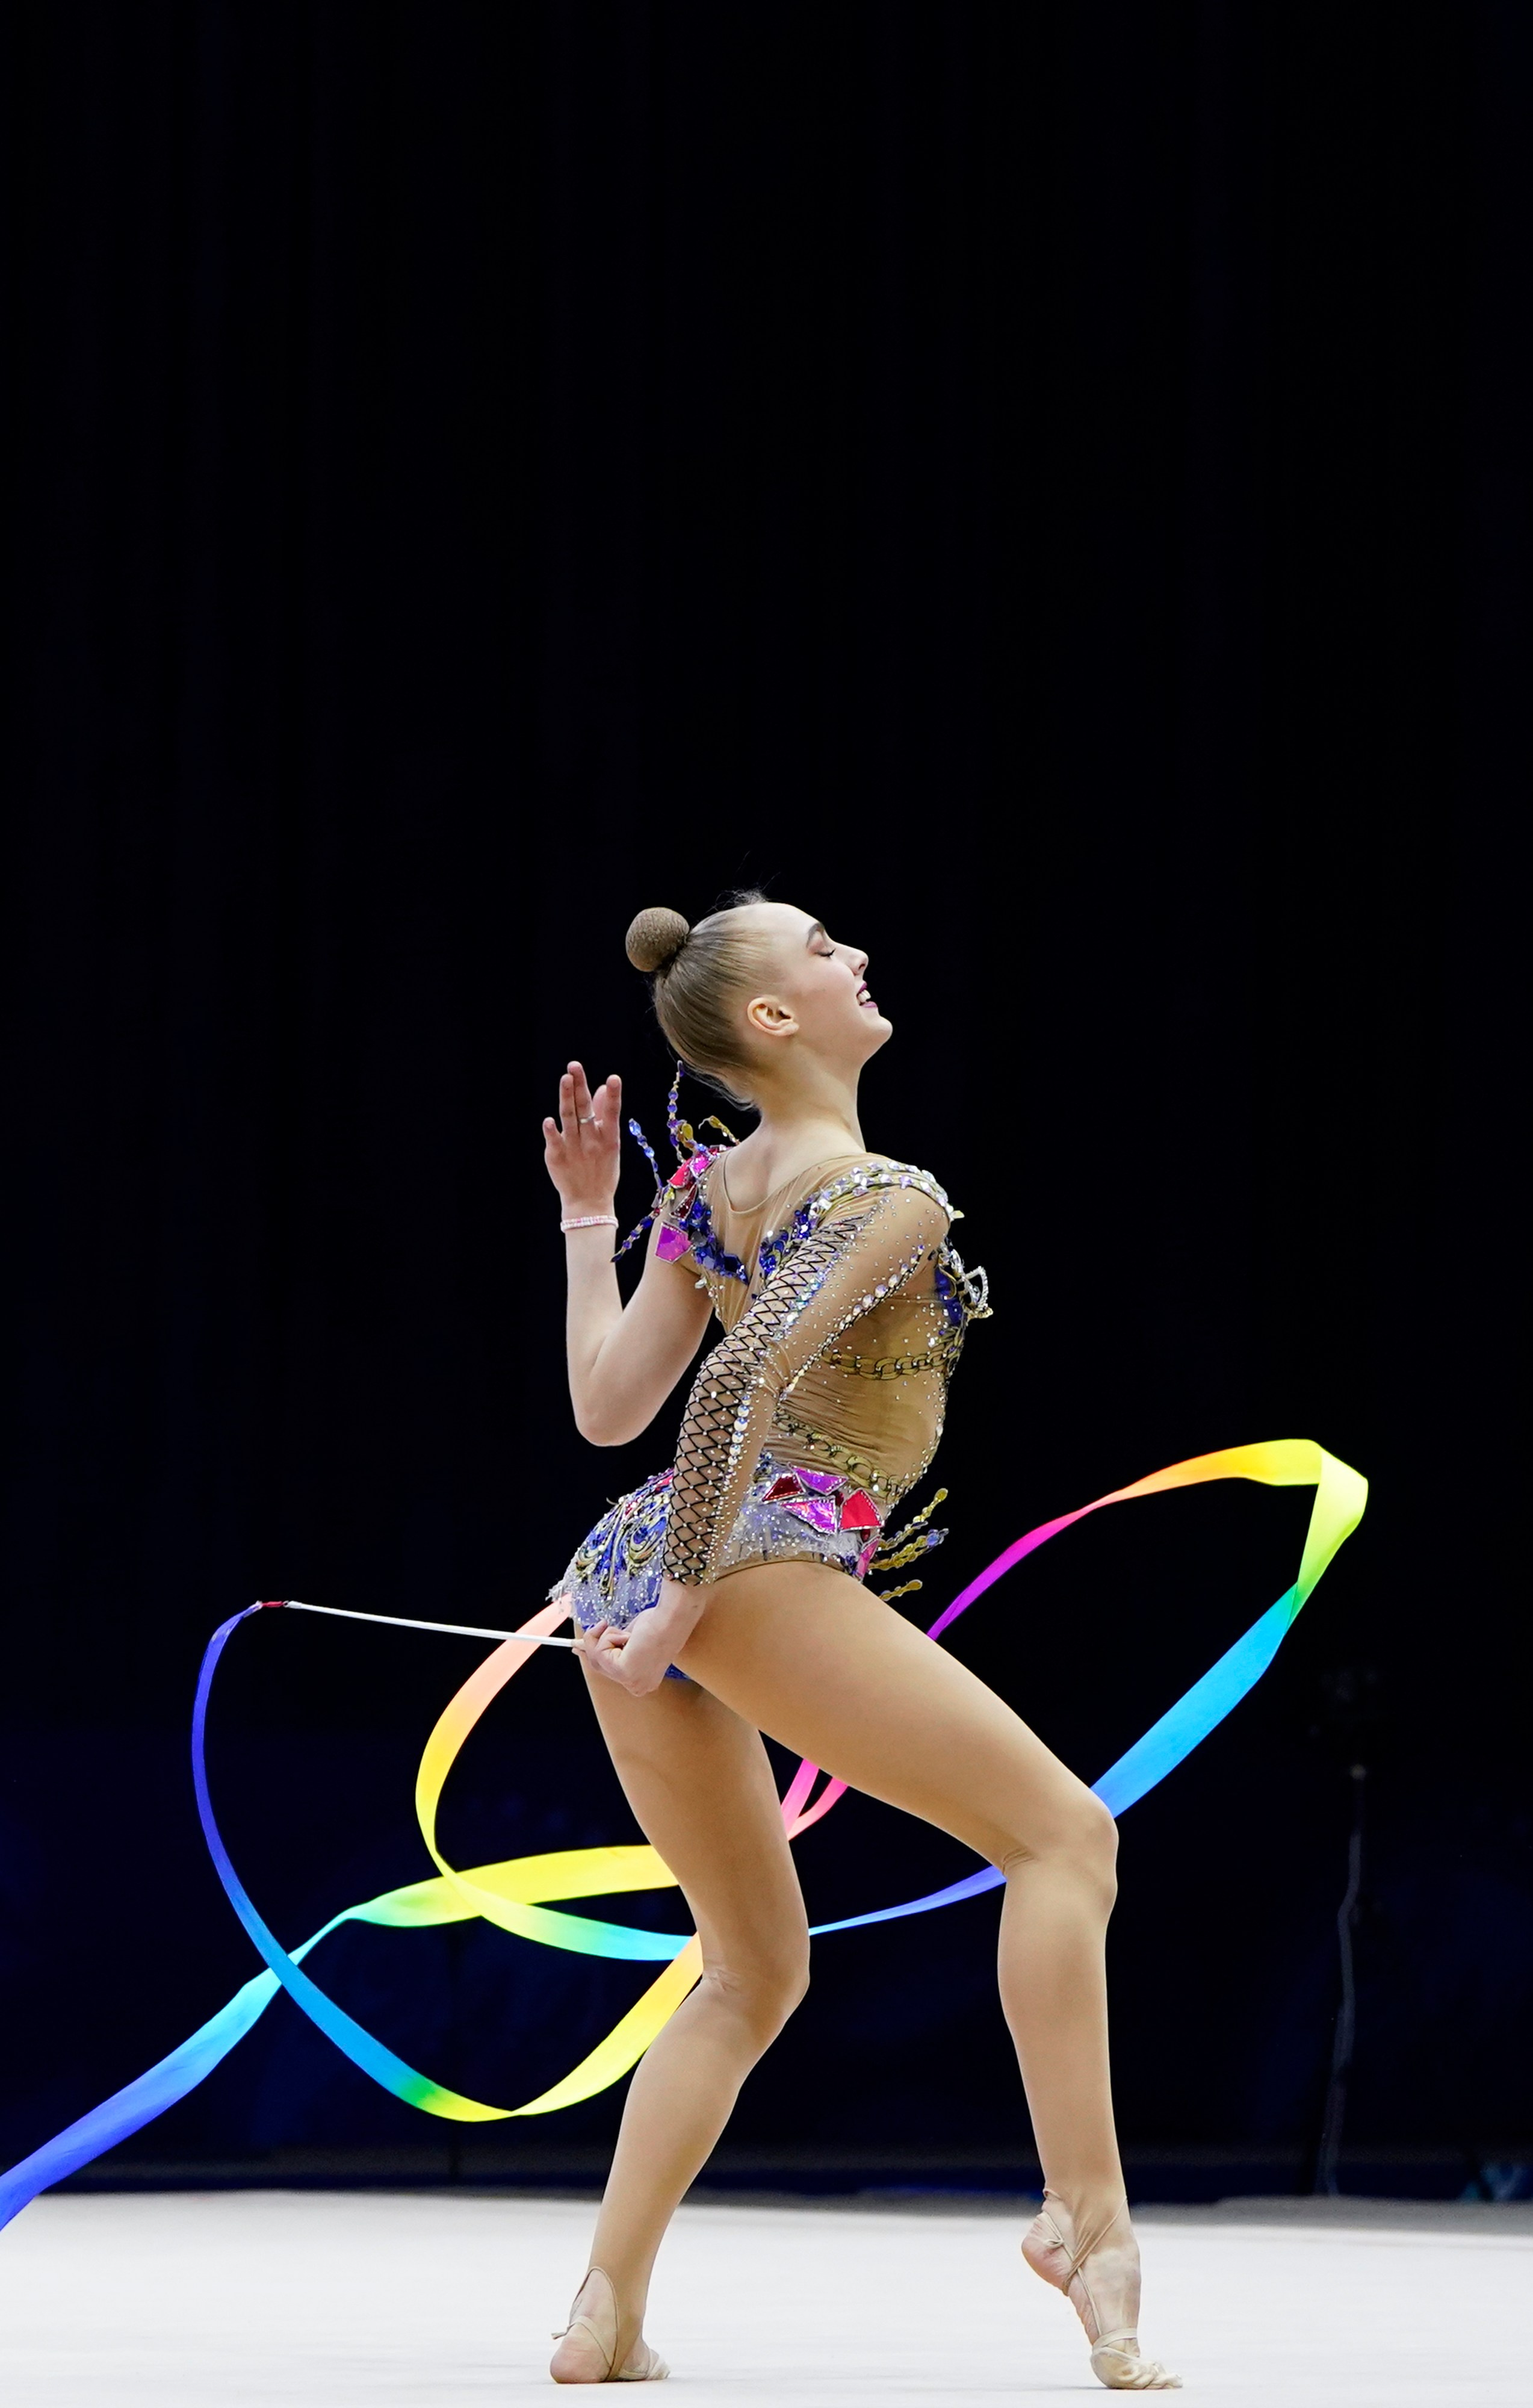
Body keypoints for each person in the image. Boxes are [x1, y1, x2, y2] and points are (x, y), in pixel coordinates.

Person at [540, 894, 1177, 2389]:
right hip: (728, 1567)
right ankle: (1087, 2220)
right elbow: (724, 1396)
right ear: (771, 1021)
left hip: (634, 1570)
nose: (857, 958)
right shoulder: (893, 1194)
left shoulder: (710, 1191)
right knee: (1064, 1840)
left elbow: (602, 1409)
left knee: (749, 1971)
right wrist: (687, 1612)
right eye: (824, 949)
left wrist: (585, 1221)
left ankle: (602, 2309)